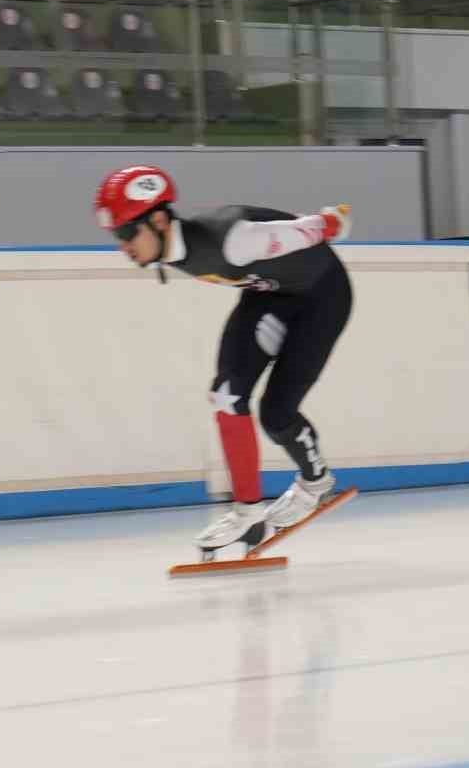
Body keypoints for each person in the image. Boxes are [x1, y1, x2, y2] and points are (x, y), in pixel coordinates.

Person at [93, 165, 353, 552]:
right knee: (227, 396)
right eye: (117, 236)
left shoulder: (233, 240)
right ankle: (248, 514)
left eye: (128, 233)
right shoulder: (176, 246)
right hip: (269, 294)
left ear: (160, 220)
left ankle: (316, 483)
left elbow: (311, 230)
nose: (123, 246)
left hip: (321, 298)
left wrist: (332, 220)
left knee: (277, 415)